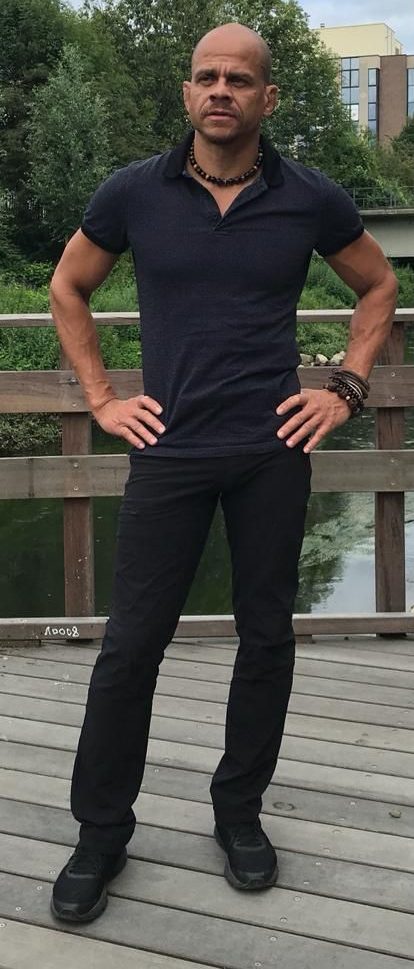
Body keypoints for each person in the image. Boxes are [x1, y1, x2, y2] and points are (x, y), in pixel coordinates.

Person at [49, 22, 397, 923]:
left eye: (239, 79)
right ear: (186, 92)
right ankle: (101, 831)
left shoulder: (308, 197)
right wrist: (101, 398)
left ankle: (239, 810)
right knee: (131, 646)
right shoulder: (135, 191)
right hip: (168, 453)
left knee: (267, 636)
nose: (220, 90)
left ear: (267, 98)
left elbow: (378, 285)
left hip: (271, 452)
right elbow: (67, 286)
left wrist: (346, 388)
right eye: (206, 76)